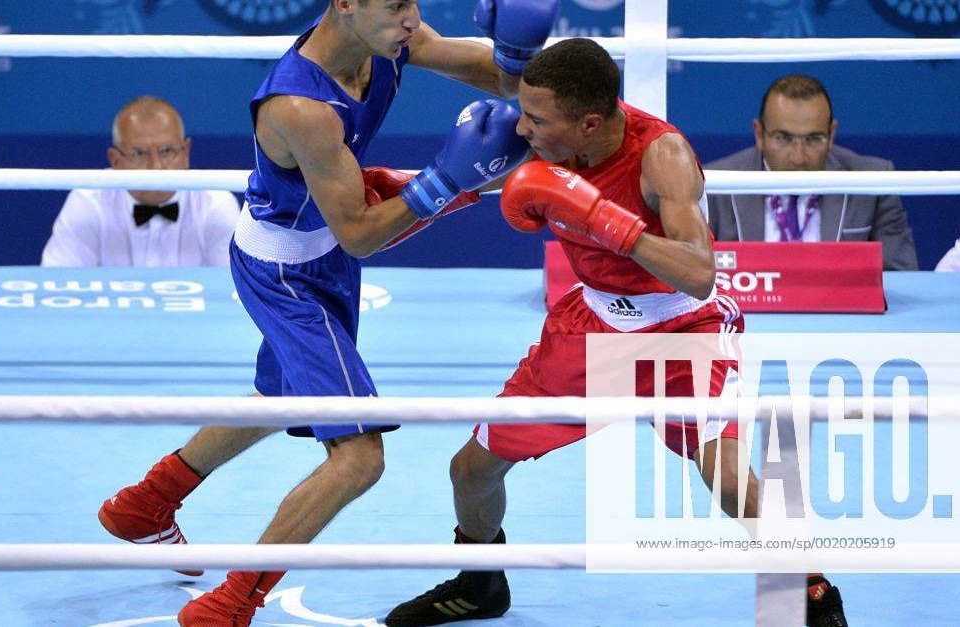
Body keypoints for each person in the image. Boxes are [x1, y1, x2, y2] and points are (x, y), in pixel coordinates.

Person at [96, 0, 557, 624]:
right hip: (289, 270)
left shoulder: (389, 38)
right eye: (397, 5)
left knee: (282, 394)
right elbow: (360, 234)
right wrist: (446, 183)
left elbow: (493, 78)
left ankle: (145, 503)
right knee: (359, 456)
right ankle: (230, 604)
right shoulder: (299, 106)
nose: (412, 17)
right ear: (345, 4)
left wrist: (517, 58)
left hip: (324, 248)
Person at [385, 40, 847, 627]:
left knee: (729, 482)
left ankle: (808, 593)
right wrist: (413, 184)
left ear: (590, 123)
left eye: (537, 119)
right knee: (471, 471)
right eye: (523, 111)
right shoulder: (539, 130)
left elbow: (702, 274)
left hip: (683, 327)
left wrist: (605, 220)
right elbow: (478, 155)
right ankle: (480, 582)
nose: (521, 127)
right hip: (592, 325)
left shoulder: (663, 155)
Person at [706, 74, 918, 272]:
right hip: (747, 312)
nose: (799, 157)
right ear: (759, 134)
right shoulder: (716, 184)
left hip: (841, 312)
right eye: (783, 138)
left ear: (831, 134)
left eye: (814, 139)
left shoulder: (873, 181)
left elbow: (902, 278)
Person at [41, 96, 239, 267]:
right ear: (115, 160)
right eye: (139, 154)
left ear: (186, 152)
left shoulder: (216, 204)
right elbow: (56, 287)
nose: (156, 166)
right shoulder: (88, 202)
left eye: (167, 151)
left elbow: (236, 296)